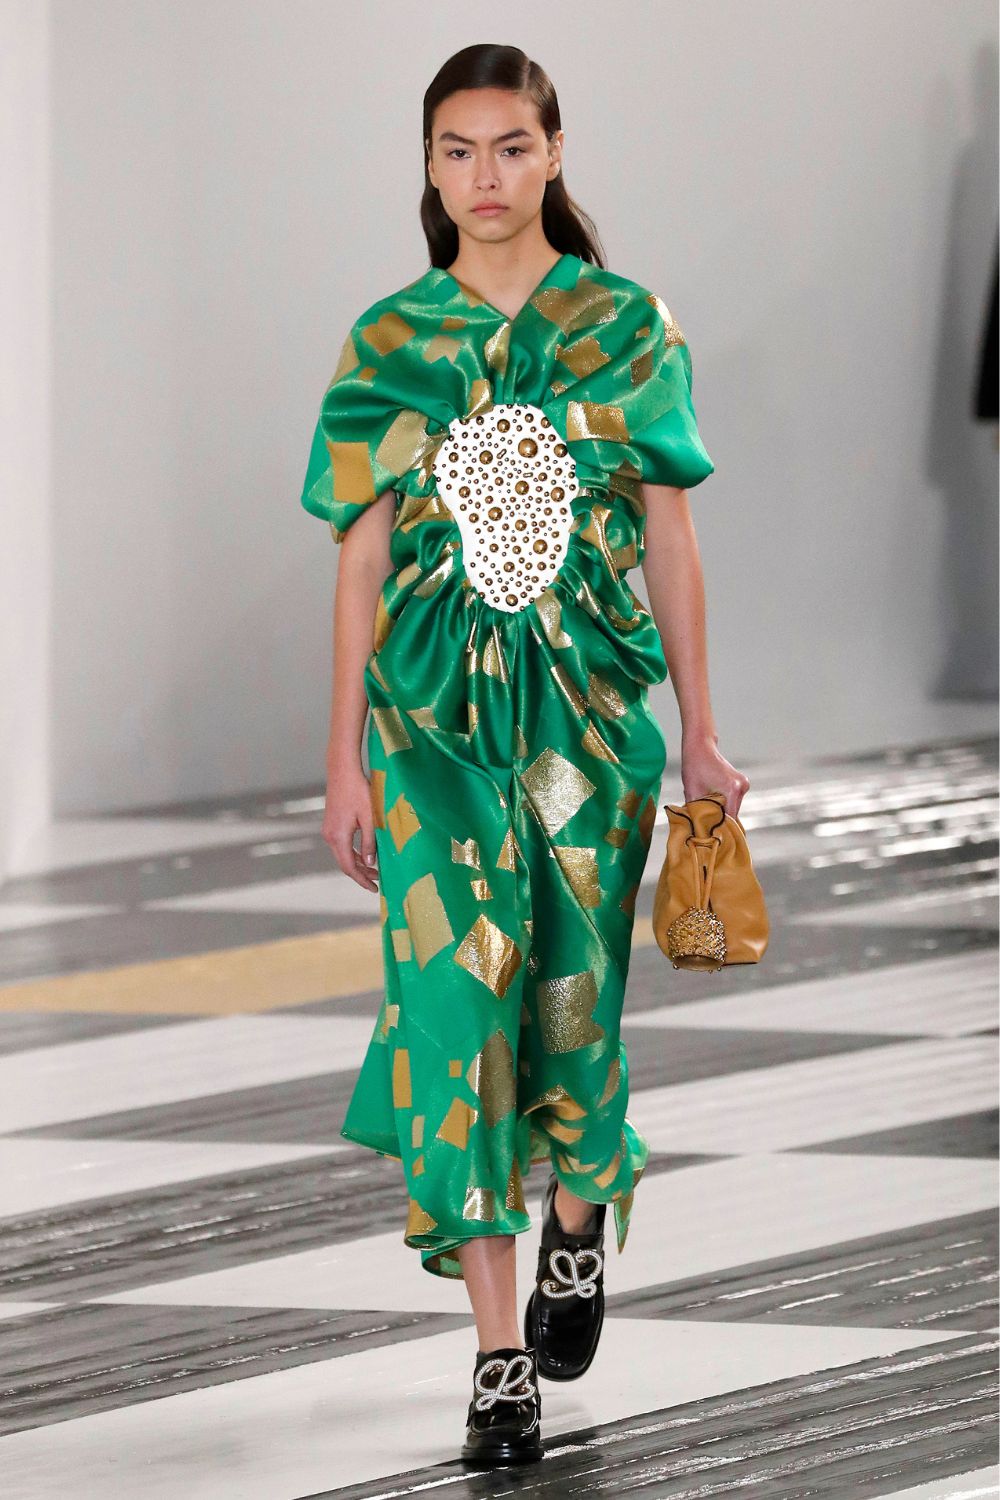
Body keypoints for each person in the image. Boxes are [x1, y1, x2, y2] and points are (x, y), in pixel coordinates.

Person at [299, 42, 749, 1470]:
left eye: (507, 146)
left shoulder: (626, 328)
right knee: (453, 1021)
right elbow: (358, 562)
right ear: (426, 168)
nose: (482, 177)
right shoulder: (389, 345)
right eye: (454, 151)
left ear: (556, 150)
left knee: (569, 1003)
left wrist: (702, 729)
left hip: (589, 729)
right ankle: (499, 1360)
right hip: (427, 729)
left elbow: (672, 533)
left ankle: (576, 1222)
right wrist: (342, 758)